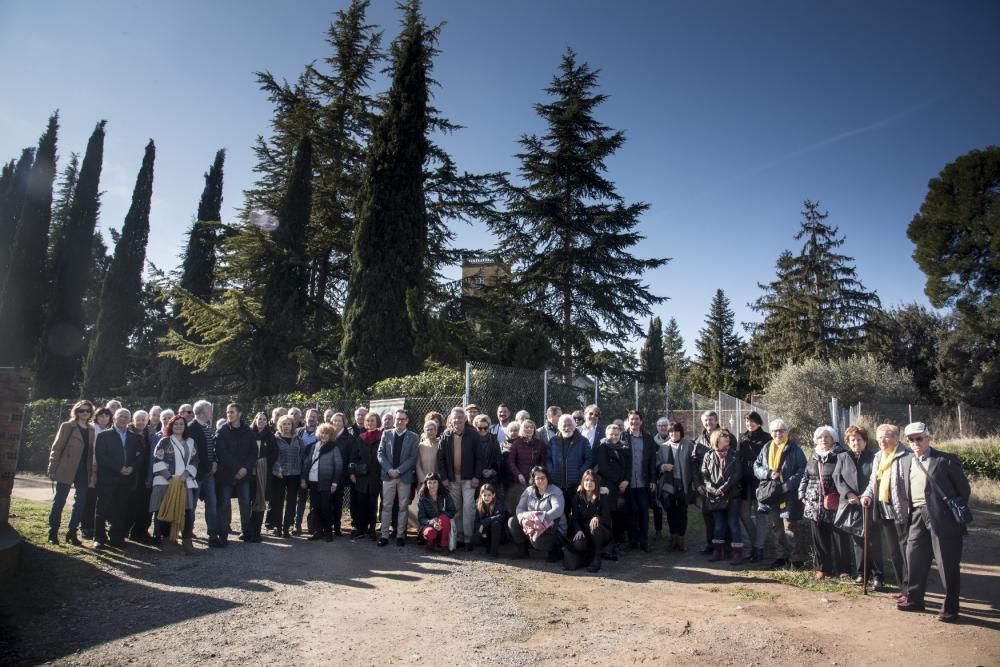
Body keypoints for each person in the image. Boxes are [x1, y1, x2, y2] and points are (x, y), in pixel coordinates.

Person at [881, 423, 970, 622]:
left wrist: (946, 511)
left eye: (919, 438)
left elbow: (963, 490)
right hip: (917, 516)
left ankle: (950, 608)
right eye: (911, 439)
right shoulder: (907, 461)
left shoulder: (945, 460)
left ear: (928, 438)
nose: (915, 443)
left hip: (943, 518)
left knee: (947, 563)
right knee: (914, 558)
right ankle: (914, 599)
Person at [860, 424, 910, 596]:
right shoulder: (879, 456)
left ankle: (911, 589)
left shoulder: (906, 456)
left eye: (887, 436)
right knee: (895, 552)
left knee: (906, 552)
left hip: (903, 511)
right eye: (880, 437)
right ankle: (903, 588)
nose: (882, 440)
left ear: (897, 438)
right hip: (885, 510)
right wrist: (866, 495)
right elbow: (873, 481)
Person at [753, 418, 808, 569]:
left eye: (781, 430)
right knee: (776, 527)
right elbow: (756, 466)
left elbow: (802, 469)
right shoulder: (766, 448)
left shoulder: (794, 449)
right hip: (771, 494)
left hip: (788, 494)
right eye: (775, 431)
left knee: (790, 527)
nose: (778, 433)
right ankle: (781, 557)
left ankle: (796, 559)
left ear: (786, 432)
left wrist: (788, 485)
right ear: (771, 433)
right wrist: (768, 473)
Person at [833, 425, 882, 589]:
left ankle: (878, 575)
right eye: (852, 440)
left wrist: (867, 495)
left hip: (870, 503)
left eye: (859, 439)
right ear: (847, 442)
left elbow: (875, 478)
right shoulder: (842, 457)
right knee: (858, 541)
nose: (856, 443)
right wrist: (848, 494)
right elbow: (837, 478)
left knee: (873, 541)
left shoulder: (874, 457)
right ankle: (862, 573)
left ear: (865, 441)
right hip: (852, 505)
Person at [800, 426, 850, 580]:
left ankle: (843, 570)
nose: (824, 440)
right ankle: (823, 568)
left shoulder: (841, 455)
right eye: (820, 437)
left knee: (840, 537)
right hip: (814, 504)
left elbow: (847, 477)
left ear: (833, 438)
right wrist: (801, 493)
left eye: (827, 436)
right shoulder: (814, 456)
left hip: (836, 502)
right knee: (820, 537)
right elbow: (806, 475)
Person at [46, 400, 96, 545]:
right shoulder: (67, 426)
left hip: (83, 470)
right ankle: (53, 533)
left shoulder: (91, 429)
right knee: (59, 501)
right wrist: (52, 468)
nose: (85, 413)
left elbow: (91, 453)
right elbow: (57, 447)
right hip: (66, 467)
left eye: (88, 411)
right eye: (82, 410)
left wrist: (92, 473)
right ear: (76, 411)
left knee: (80, 502)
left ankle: (71, 532)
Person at [93, 409, 144, 549]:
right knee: (102, 509)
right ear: (114, 418)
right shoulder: (104, 436)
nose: (123, 419)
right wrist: (118, 468)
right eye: (120, 416)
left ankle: (116, 537)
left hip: (126, 480)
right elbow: (101, 456)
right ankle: (99, 538)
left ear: (129, 420)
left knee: (120, 510)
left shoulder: (135, 437)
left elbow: (140, 456)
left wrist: (132, 468)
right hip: (108, 479)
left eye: (126, 417)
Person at [150, 415, 199, 554]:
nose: (178, 426)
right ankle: (168, 540)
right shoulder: (164, 442)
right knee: (166, 509)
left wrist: (185, 474)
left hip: (185, 481)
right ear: (171, 426)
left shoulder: (191, 442)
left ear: (185, 426)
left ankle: (187, 540)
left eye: (181, 424)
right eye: (175, 424)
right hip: (167, 481)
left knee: (187, 511)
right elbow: (157, 460)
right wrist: (169, 477)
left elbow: (195, 460)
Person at [436, 407, 481, 546]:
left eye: (460, 417)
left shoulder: (473, 435)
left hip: (469, 478)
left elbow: (480, 458)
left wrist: (476, 477)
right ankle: (457, 536)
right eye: (455, 417)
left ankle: (468, 538)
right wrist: (443, 477)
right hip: (452, 479)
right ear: (451, 419)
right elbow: (440, 458)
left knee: (468, 507)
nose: (457, 420)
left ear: (465, 419)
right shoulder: (446, 435)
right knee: (455, 508)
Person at [699, 429, 744, 563]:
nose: (727, 438)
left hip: (732, 495)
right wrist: (712, 489)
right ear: (717, 439)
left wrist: (723, 488)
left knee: (733, 523)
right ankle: (717, 552)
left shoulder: (735, 455)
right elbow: (705, 474)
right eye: (724, 436)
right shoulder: (708, 455)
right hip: (715, 496)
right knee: (719, 524)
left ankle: (737, 554)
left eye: (728, 436)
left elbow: (737, 474)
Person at [215, 403, 257, 545]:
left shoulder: (248, 431)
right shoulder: (222, 431)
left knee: (245, 503)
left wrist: (245, 468)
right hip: (226, 474)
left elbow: (253, 452)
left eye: (232, 412)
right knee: (224, 504)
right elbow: (222, 453)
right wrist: (237, 468)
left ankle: (246, 533)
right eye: (227, 412)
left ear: (239, 414)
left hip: (244, 475)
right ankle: (223, 535)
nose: (229, 414)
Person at [377, 409, 418, 546]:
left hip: (404, 477)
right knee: (387, 506)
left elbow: (412, 458)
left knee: (402, 507)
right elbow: (381, 453)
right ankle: (384, 535)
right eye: (398, 419)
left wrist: (399, 471)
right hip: (388, 476)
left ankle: (400, 535)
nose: (399, 421)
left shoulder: (413, 437)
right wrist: (389, 469)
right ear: (394, 420)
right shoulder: (386, 434)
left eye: (402, 419)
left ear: (407, 420)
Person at [508, 466, 565, 562]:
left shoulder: (555, 491)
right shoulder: (528, 491)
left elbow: (558, 510)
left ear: (547, 478)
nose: (540, 480)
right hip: (533, 524)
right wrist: (523, 519)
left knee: (537, 542)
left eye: (543, 477)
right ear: (533, 480)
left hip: (553, 529)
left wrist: (538, 520)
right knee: (512, 522)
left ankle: (555, 550)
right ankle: (523, 552)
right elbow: (520, 508)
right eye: (537, 478)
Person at [300, 423, 344, 542]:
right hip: (313, 481)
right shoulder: (314, 446)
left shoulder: (334, 447)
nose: (324, 435)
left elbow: (339, 466)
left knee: (325, 507)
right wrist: (304, 478)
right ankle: (317, 532)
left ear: (331, 436)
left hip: (326, 482)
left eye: (327, 434)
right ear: (319, 433)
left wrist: (334, 483)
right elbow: (307, 463)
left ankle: (328, 532)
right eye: (323, 433)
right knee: (315, 507)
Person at [592, 423, 630, 556]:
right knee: (607, 516)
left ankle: (618, 543)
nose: (614, 436)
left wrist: (626, 480)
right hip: (608, 487)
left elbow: (629, 466)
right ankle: (607, 545)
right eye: (611, 434)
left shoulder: (624, 448)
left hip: (623, 488)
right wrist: (619, 481)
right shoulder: (603, 447)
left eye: (616, 434)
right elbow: (604, 468)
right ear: (606, 435)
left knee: (620, 516)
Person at [564, 469, 613, 572]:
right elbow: (575, 518)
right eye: (586, 480)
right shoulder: (577, 498)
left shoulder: (603, 496)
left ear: (596, 483)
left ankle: (597, 558)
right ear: (582, 482)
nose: (589, 483)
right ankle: (587, 557)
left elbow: (607, 518)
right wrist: (578, 530)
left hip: (601, 532)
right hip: (584, 531)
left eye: (592, 480)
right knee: (578, 544)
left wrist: (597, 517)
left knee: (595, 527)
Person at [656, 422, 695, 552]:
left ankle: (681, 539)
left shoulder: (688, 445)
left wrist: (693, 482)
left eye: (676, 432)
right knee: (671, 512)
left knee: (682, 513)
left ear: (681, 433)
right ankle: (673, 539)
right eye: (671, 432)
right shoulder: (663, 447)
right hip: (668, 485)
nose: (673, 434)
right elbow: (657, 464)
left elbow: (693, 465)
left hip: (683, 485)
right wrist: (663, 467)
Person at [739, 412, 772, 562]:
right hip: (745, 482)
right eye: (747, 421)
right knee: (744, 514)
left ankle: (758, 549)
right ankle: (756, 545)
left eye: (752, 421)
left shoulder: (767, 439)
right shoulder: (742, 438)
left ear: (758, 422)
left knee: (761, 517)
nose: (749, 424)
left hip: (761, 483)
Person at [622, 411, 657, 552]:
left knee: (643, 513)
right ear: (628, 421)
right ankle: (632, 541)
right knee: (630, 512)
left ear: (641, 422)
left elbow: (652, 462)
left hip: (643, 482)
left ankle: (644, 542)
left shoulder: (648, 438)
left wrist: (653, 479)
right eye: (631, 419)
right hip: (628, 482)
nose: (634, 422)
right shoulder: (623, 436)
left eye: (637, 419)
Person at [186, 401, 219, 546]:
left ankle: (212, 535)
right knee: (191, 505)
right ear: (202, 412)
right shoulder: (192, 427)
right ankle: (188, 533)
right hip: (197, 473)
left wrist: (215, 462)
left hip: (209, 473)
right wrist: (208, 466)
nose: (211, 411)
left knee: (212, 504)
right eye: (209, 409)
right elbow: (195, 452)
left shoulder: (207, 427)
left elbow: (212, 448)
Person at [80, 406, 113, 540]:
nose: (104, 418)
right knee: (89, 498)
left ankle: (97, 526)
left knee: (101, 500)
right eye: (101, 416)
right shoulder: (91, 429)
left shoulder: (111, 431)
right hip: (91, 468)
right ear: (96, 417)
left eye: (106, 416)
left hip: (106, 470)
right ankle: (86, 526)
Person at [694, 411, 723, 554]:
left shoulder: (725, 435)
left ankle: (725, 546)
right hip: (705, 485)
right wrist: (698, 484)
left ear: (716, 420)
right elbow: (694, 463)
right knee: (708, 516)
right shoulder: (699, 440)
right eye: (705, 420)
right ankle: (710, 545)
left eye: (711, 420)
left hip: (722, 486)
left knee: (722, 517)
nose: (708, 423)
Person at [269, 415, 302, 537]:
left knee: (292, 502)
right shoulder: (275, 439)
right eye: (284, 424)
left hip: (294, 474)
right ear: (280, 425)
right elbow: (273, 456)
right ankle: (277, 526)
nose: (286, 426)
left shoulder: (297, 439)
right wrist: (277, 470)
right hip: (279, 475)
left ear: (292, 425)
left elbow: (301, 456)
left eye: (288, 424)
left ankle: (287, 527)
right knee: (277, 502)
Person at [351, 411, 382, 539]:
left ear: (377, 422)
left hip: (376, 476)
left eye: (372, 421)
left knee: (373, 504)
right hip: (362, 477)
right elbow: (354, 456)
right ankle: (360, 529)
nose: (370, 423)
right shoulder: (360, 438)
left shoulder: (383, 436)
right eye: (368, 421)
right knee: (361, 503)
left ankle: (372, 529)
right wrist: (352, 472)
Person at [546, 414, 590, 502]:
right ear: (559, 427)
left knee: (576, 511)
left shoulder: (583, 441)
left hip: (576, 483)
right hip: (557, 483)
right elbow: (547, 459)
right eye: (564, 425)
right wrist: (552, 471)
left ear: (574, 426)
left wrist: (580, 472)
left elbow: (589, 459)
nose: (567, 428)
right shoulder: (553, 441)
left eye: (569, 425)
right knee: (560, 511)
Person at [506, 419, 547, 515]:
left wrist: (538, 474)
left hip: (535, 479)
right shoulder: (516, 443)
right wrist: (518, 474)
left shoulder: (540, 443)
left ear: (534, 429)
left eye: (531, 427)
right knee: (520, 503)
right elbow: (511, 461)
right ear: (522, 429)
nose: (529, 429)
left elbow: (543, 461)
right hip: (520, 479)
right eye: (526, 427)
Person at [248, 412, 278, 542]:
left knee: (259, 502)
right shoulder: (248, 435)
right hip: (248, 475)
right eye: (259, 419)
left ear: (267, 422)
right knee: (247, 503)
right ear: (255, 420)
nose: (261, 421)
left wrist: (262, 463)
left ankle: (256, 532)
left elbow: (274, 453)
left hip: (263, 475)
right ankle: (247, 530)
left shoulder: (270, 437)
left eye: (264, 419)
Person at [126, 410, 154, 543]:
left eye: (143, 419)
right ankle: (126, 530)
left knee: (146, 505)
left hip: (146, 475)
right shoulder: (127, 433)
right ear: (133, 420)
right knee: (131, 504)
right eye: (138, 419)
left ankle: (141, 531)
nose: (141, 422)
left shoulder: (151, 433)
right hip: (131, 474)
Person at [328, 413, 355, 536]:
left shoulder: (349, 438)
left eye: (339, 421)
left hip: (341, 475)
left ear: (344, 422)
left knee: (338, 502)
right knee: (327, 501)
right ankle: (327, 526)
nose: (336, 423)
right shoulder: (327, 435)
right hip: (327, 474)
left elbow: (351, 457)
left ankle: (337, 527)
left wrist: (349, 473)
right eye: (334, 420)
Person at [416, 472, 456, 552]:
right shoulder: (422, 498)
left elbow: (452, 511)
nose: (432, 485)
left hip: (443, 524)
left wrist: (439, 519)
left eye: (434, 482)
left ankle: (444, 546)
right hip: (429, 524)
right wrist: (432, 522)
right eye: (429, 483)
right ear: (426, 484)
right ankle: (430, 544)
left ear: (439, 483)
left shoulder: (445, 494)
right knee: (429, 532)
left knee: (444, 518)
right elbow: (421, 518)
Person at [473, 414, 503, 508]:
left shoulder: (494, 440)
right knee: (477, 503)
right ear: (475, 427)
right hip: (476, 477)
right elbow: (469, 459)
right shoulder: (471, 440)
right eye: (480, 428)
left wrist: (492, 471)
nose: (482, 430)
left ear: (489, 427)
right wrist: (479, 471)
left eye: (485, 428)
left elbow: (498, 458)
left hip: (492, 476)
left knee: (493, 504)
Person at [472, 483, 506, 557]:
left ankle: (494, 552)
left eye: (489, 495)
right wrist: (478, 531)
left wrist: (484, 523)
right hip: (485, 532)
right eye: (484, 495)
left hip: (499, 532)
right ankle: (487, 547)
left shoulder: (498, 503)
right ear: (481, 495)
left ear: (493, 495)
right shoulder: (479, 504)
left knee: (495, 524)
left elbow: (501, 516)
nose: (486, 497)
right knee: (475, 538)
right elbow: (477, 520)